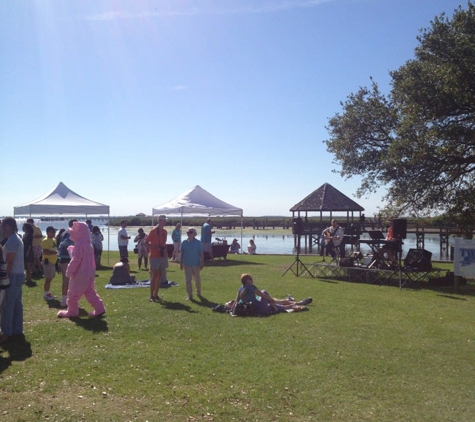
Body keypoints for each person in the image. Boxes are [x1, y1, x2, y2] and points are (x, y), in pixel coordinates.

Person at [57, 221, 105, 318]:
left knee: (72, 294)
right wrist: (73, 249)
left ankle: (72, 311)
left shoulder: (79, 245)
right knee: (90, 292)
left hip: (80, 274)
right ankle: (99, 308)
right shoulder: (88, 244)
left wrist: (69, 271)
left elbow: (76, 260)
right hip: (89, 273)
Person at [230, 273, 312, 316]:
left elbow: (236, 301)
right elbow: (264, 295)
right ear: (247, 281)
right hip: (259, 309)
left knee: (276, 301)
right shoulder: (251, 287)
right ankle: (297, 304)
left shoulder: (240, 288)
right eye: (250, 279)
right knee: (266, 294)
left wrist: (232, 311)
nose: (252, 280)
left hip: (253, 309)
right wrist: (272, 301)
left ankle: (298, 303)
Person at [1, 217, 25, 341]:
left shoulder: (12, 241)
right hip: (18, 274)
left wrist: (5, 277)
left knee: (8, 305)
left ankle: (6, 332)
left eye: (3, 225)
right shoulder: (16, 239)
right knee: (16, 304)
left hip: (13, 275)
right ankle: (17, 329)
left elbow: (9, 261)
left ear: (8, 226)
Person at [145, 215, 168, 302]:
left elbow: (164, 243)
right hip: (154, 256)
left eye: (165, 221)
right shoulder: (153, 231)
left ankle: (156, 294)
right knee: (154, 275)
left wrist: (164, 250)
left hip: (163, 256)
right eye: (163, 220)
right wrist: (155, 247)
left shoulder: (165, 232)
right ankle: (151, 295)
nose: (165, 222)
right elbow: (145, 243)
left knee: (160, 275)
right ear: (159, 221)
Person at [56, 219, 77, 308]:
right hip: (67, 259)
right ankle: (64, 300)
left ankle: (67, 299)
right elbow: (70, 244)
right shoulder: (69, 234)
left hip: (64, 258)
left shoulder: (64, 233)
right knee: (67, 280)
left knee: (68, 280)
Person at [180, 227, 204, 301]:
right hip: (187, 264)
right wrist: (181, 263)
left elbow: (201, 253)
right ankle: (190, 295)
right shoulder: (184, 242)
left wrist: (202, 262)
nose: (188, 234)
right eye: (187, 232)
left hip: (196, 264)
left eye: (190, 232)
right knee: (188, 280)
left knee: (197, 279)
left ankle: (198, 292)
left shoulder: (198, 242)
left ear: (194, 234)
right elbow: (182, 253)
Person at [41, 226, 58, 301]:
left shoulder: (54, 240)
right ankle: (46, 294)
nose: (54, 233)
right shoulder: (45, 240)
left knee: (50, 278)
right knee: (48, 278)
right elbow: (45, 252)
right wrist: (55, 253)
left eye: (54, 231)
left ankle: (48, 292)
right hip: (48, 261)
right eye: (52, 232)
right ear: (48, 232)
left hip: (53, 261)